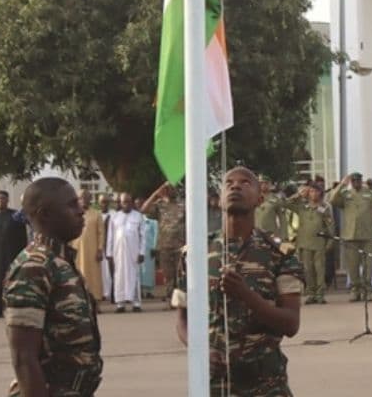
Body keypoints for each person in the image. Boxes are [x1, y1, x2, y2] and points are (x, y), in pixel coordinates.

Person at [174, 167, 304, 396]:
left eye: (245, 183)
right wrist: (200, 351)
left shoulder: (279, 255)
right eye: (229, 183)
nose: (235, 186)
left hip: (266, 384)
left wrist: (247, 295)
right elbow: (183, 319)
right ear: (219, 199)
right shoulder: (195, 253)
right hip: (214, 384)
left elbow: (291, 324)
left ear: (260, 199)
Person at [4, 178, 103, 396]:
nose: (81, 211)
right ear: (45, 215)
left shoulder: (61, 262)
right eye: (71, 205)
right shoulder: (34, 267)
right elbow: (23, 358)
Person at [328, 172, 372, 302]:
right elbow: (332, 199)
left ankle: (367, 291)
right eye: (354, 181)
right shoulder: (345, 194)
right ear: (351, 182)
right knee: (352, 266)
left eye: (358, 180)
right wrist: (341, 184)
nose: (356, 183)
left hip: (367, 235)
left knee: (368, 265)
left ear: (361, 181)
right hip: (350, 235)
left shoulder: (369, 194)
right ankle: (355, 290)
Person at [0, 191, 29, 318]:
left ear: (8, 200)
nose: (1, 200)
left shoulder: (15, 216)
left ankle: (12, 307)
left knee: (12, 280)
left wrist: (23, 254)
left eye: (3, 198)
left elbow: (22, 236)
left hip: (12, 253)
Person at [287, 182, 334, 305]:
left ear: (320, 193)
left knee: (319, 269)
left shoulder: (324, 208)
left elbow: (330, 225)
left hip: (319, 243)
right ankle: (311, 294)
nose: (314, 194)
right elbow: (286, 203)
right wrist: (298, 194)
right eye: (311, 191)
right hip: (304, 243)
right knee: (308, 270)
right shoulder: (302, 207)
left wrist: (330, 241)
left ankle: (320, 294)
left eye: (316, 191)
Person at [140, 182, 186, 307]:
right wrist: (155, 194)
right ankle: (171, 301)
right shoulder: (159, 205)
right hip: (165, 247)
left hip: (180, 246)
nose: (171, 190)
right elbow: (143, 210)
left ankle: (182, 302)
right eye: (167, 188)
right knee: (168, 276)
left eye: (172, 188)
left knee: (181, 275)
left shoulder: (183, 204)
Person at [106, 193, 146, 312]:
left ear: (132, 203)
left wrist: (142, 252)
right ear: (120, 203)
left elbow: (143, 236)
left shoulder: (138, 216)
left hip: (134, 252)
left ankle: (136, 303)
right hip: (118, 252)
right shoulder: (115, 217)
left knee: (135, 276)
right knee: (119, 277)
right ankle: (120, 304)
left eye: (129, 202)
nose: (127, 204)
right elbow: (110, 236)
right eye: (124, 202)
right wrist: (109, 253)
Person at [69, 190, 105, 302]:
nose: (83, 200)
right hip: (77, 250)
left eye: (86, 197)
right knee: (78, 275)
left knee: (93, 277)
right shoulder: (72, 214)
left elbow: (101, 233)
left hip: (92, 251)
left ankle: (95, 302)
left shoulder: (96, 214)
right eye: (81, 197)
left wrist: (100, 249)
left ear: (90, 199)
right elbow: (69, 233)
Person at [99, 194, 115, 301]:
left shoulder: (113, 215)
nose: (104, 204)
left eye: (106, 201)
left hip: (112, 248)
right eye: (102, 202)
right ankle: (103, 293)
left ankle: (113, 294)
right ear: (99, 203)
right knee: (102, 272)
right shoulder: (96, 215)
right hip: (100, 247)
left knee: (111, 271)